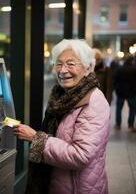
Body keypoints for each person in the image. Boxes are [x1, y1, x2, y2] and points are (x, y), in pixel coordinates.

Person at [13, 39, 110, 194]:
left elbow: (80, 155)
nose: (63, 70)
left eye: (71, 64)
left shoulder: (94, 102)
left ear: (87, 68)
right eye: (58, 64)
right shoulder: (62, 97)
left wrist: (35, 138)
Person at [113, 54, 136, 131]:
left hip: (120, 92)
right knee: (132, 109)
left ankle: (118, 125)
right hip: (131, 93)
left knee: (119, 109)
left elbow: (115, 80)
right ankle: (130, 126)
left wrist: (116, 89)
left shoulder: (120, 69)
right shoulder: (134, 69)